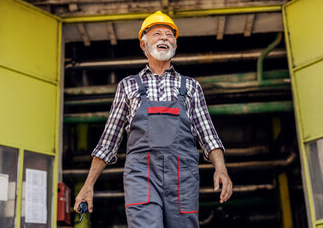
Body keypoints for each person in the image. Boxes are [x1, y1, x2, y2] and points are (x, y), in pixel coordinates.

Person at [74, 11, 233, 227]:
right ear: (143, 44)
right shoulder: (128, 86)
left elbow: (209, 136)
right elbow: (108, 142)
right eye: (157, 33)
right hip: (141, 176)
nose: (164, 38)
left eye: (169, 35)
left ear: (175, 44)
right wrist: (88, 185)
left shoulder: (191, 87)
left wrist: (221, 170)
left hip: (182, 178)